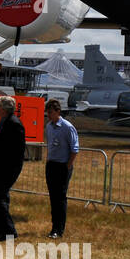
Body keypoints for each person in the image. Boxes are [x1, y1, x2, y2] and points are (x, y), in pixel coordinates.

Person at [0, 95, 25, 239]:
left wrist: (6, 167)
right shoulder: (4, 121)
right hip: (0, 168)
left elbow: (17, 150)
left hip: (8, 169)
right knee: (1, 198)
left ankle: (10, 231)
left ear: (3, 108)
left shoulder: (14, 124)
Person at [43, 98, 79, 238]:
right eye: (47, 113)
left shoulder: (67, 127)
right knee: (53, 196)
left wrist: (67, 166)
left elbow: (74, 149)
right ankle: (54, 226)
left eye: (51, 112)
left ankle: (59, 229)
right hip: (51, 164)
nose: (49, 116)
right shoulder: (49, 126)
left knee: (60, 197)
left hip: (62, 165)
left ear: (58, 112)